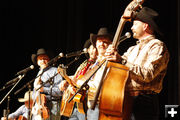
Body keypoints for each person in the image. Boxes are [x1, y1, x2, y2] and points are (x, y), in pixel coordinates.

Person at [105, 7, 170, 120]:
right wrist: (110, 57)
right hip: (125, 99)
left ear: (145, 26)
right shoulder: (132, 49)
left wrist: (121, 61)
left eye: (135, 24)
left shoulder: (157, 46)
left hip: (144, 101)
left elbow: (148, 74)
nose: (131, 27)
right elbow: (118, 68)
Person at [75, 27, 113, 120]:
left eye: (105, 42)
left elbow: (100, 85)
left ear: (110, 44)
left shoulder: (111, 61)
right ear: (96, 44)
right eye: (99, 41)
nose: (102, 44)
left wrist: (80, 85)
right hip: (90, 105)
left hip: (102, 107)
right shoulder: (96, 63)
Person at [58, 37, 98, 120]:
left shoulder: (99, 64)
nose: (93, 50)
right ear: (88, 50)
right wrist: (67, 81)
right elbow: (76, 77)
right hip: (75, 104)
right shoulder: (84, 64)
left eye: (95, 48)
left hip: (88, 104)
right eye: (91, 48)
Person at [31, 48, 64, 120]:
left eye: (45, 58)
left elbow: (60, 91)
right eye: (40, 59)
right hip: (39, 108)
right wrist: (35, 102)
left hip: (53, 106)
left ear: (49, 60)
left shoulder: (55, 71)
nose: (42, 61)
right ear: (37, 62)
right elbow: (35, 91)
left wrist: (43, 89)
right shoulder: (39, 73)